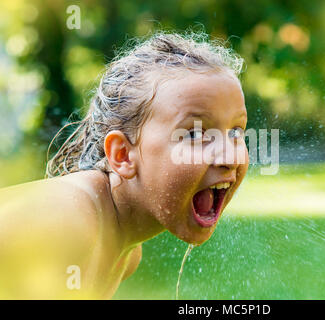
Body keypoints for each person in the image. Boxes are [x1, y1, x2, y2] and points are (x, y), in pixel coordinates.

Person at [0, 31, 249, 299]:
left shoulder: (125, 253)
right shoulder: (70, 220)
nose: (229, 157)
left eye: (236, 132)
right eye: (194, 134)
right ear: (123, 155)